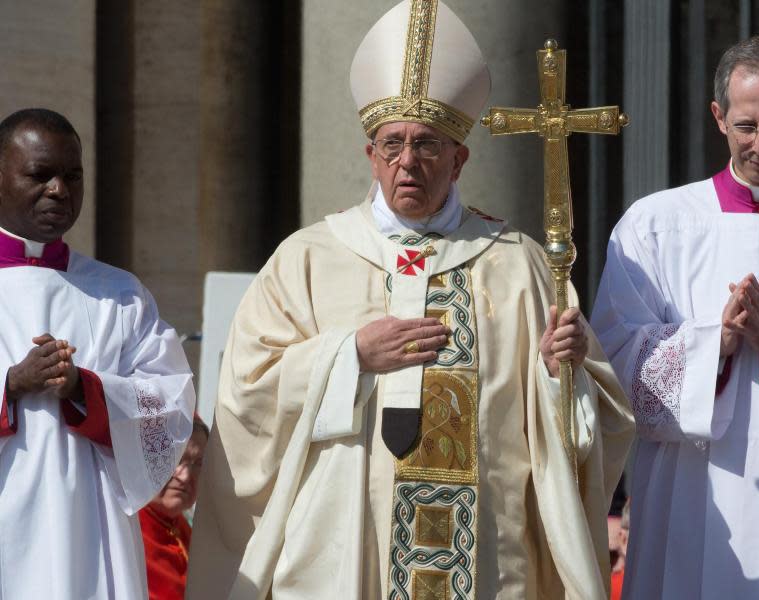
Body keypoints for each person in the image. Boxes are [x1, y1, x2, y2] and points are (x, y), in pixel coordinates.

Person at [187, 1, 633, 598]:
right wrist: (348, 355)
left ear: (460, 158)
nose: (407, 163)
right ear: (369, 154)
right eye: (391, 144)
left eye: (427, 145)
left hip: (485, 554)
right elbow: (247, 391)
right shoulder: (309, 257)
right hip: (346, 547)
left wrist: (562, 372)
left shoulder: (517, 261)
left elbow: (581, 420)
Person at [591, 34, 759, 599]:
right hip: (688, 492)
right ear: (718, 117)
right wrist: (717, 345)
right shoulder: (655, 225)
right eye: (746, 125)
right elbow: (610, 362)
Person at [0, 108, 195, 599]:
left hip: (93, 526)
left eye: (72, 175)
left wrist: (84, 389)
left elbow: (171, 406)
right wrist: (10, 386)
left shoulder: (119, 294)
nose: (59, 190)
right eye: (40, 175)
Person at [140, 418, 209, 600]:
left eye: (198, 463)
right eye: (177, 458)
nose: (185, 476)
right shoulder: (124, 529)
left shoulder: (187, 529)